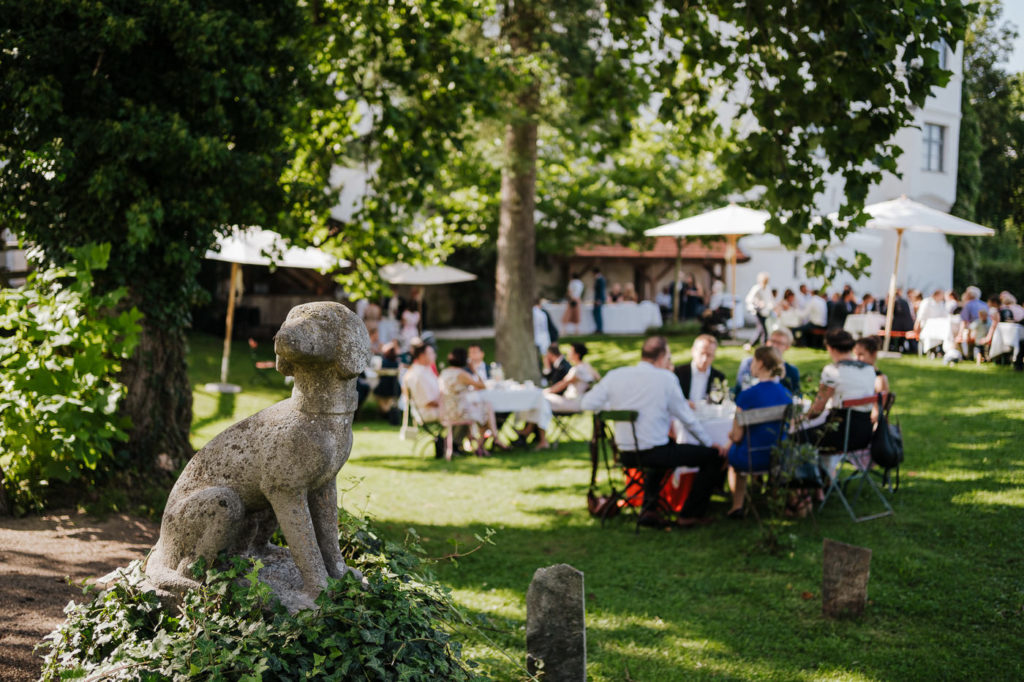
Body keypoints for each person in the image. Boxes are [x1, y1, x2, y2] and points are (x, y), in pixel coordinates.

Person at [580, 336, 731, 527]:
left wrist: (616, 409)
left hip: (625, 454)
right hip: (654, 453)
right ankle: (690, 513)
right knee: (712, 456)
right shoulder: (665, 378)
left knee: (665, 449)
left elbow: (587, 403)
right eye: (668, 358)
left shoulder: (615, 375)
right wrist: (710, 444)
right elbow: (688, 419)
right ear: (661, 357)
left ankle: (649, 510)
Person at [726, 346, 792, 518]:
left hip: (749, 458)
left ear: (761, 363)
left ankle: (737, 505)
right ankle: (775, 498)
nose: (751, 365)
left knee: (732, 455)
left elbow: (738, 435)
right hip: (778, 457)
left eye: (753, 361)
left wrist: (731, 437)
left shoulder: (747, 396)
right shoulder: (786, 394)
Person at [797, 329, 876, 452]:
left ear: (830, 348)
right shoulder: (869, 370)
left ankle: (816, 471)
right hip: (866, 433)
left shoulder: (832, 371)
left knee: (795, 437)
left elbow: (817, 409)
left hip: (841, 434)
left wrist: (802, 419)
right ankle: (824, 470)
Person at [438, 347, 508, 455]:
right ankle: (490, 440)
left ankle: (486, 442)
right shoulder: (461, 374)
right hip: (460, 412)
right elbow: (482, 386)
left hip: (447, 411)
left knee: (485, 409)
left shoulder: (444, 373)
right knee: (487, 409)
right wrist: (473, 370)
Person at [734, 327, 801, 396]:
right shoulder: (749, 363)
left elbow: (796, 394)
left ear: (787, 347)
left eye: (779, 343)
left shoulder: (791, 370)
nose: (774, 346)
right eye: (772, 341)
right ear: (767, 342)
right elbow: (740, 389)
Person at [545, 342, 600, 412]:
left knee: (543, 398)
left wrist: (546, 391)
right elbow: (598, 379)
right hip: (583, 400)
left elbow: (562, 384)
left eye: (570, 351)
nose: (568, 353)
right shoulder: (588, 366)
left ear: (577, 355)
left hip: (573, 403)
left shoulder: (576, 370)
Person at [673, 334, 726, 405]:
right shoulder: (678, 372)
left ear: (714, 356)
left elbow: (719, 403)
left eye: (709, 355)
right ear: (693, 351)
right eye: (702, 353)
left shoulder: (719, 377)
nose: (704, 359)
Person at [403, 343, 441, 422]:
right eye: (431, 353)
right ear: (422, 355)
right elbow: (428, 402)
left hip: (434, 408)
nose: (434, 356)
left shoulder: (424, 370)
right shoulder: (418, 374)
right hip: (428, 412)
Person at [372, 341, 403, 417]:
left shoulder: (382, 362)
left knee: (380, 397)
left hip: (383, 388)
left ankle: (385, 411)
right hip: (394, 388)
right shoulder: (397, 363)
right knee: (389, 400)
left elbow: (377, 374)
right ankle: (388, 411)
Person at [744, 272, 774, 350]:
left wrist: (771, 306)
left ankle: (751, 344)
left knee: (760, 329)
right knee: (763, 329)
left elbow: (770, 300)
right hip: (757, 311)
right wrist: (757, 303)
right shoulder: (756, 288)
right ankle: (764, 345)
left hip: (765, 311)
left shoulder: (767, 288)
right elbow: (749, 299)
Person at [592, 267, 607, 334]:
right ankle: (598, 328)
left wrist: (599, 300)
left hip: (598, 299)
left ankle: (599, 329)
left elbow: (601, 291)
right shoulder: (599, 279)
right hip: (597, 299)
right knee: (596, 313)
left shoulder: (600, 280)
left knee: (597, 314)